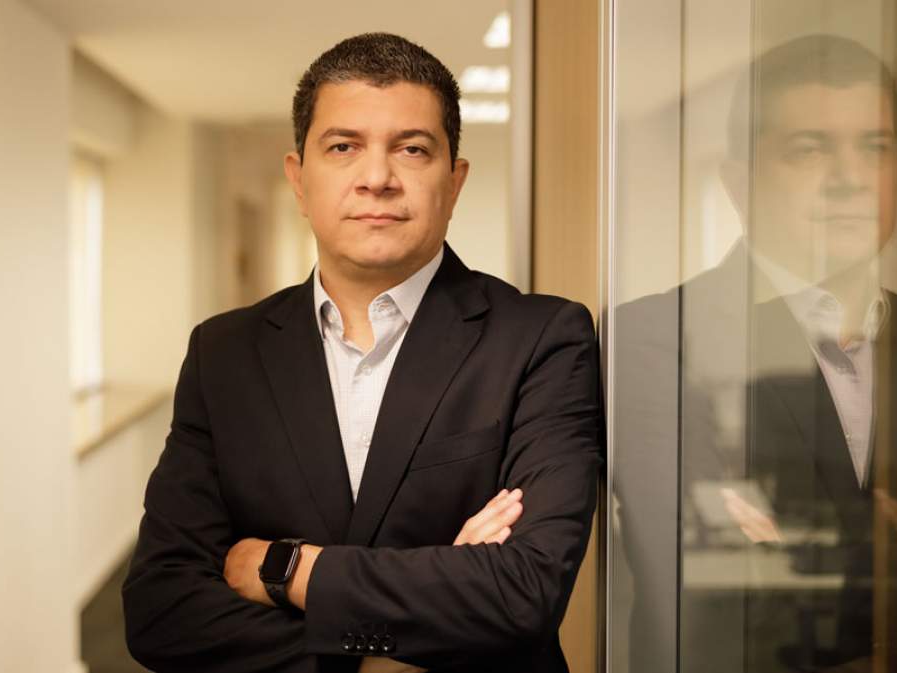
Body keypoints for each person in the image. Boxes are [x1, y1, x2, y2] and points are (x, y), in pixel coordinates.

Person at [122, 32, 603, 673]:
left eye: (412, 149)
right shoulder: (224, 354)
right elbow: (161, 610)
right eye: (343, 147)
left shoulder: (542, 338)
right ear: (299, 180)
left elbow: (523, 591)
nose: (377, 179)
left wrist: (286, 568)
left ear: (454, 182)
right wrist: (378, 660)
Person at [615, 34, 897, 672]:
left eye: (874, 148)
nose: (850, 180)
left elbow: (786, 565)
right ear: (739, 183)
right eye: (809, 150)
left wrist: (806, 544)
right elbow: (717, 583)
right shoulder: (655, 338)